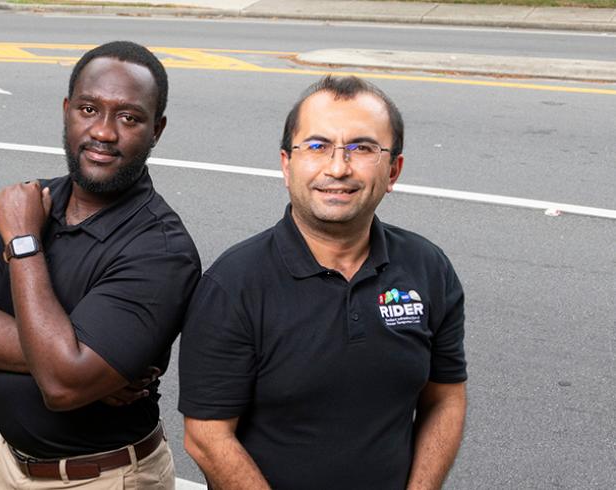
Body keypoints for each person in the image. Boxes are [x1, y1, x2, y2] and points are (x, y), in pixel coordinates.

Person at [179, 75, 468, 489]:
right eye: (317, 146)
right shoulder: (233, 285)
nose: (338, 167)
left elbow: (445, 398)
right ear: (286, 164)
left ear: (394, 170)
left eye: (362, 148)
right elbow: (206, 437)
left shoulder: (428, 268)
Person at [0, 40, 201, 489]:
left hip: (106, 477)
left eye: (128, 117)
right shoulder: (27, 202)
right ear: (66, 111)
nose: (103, 132)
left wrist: (23, 243)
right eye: (88, 109)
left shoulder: (161, 250)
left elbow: (62, 387)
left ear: (156, 130)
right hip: (6, 467)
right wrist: (65, 359)